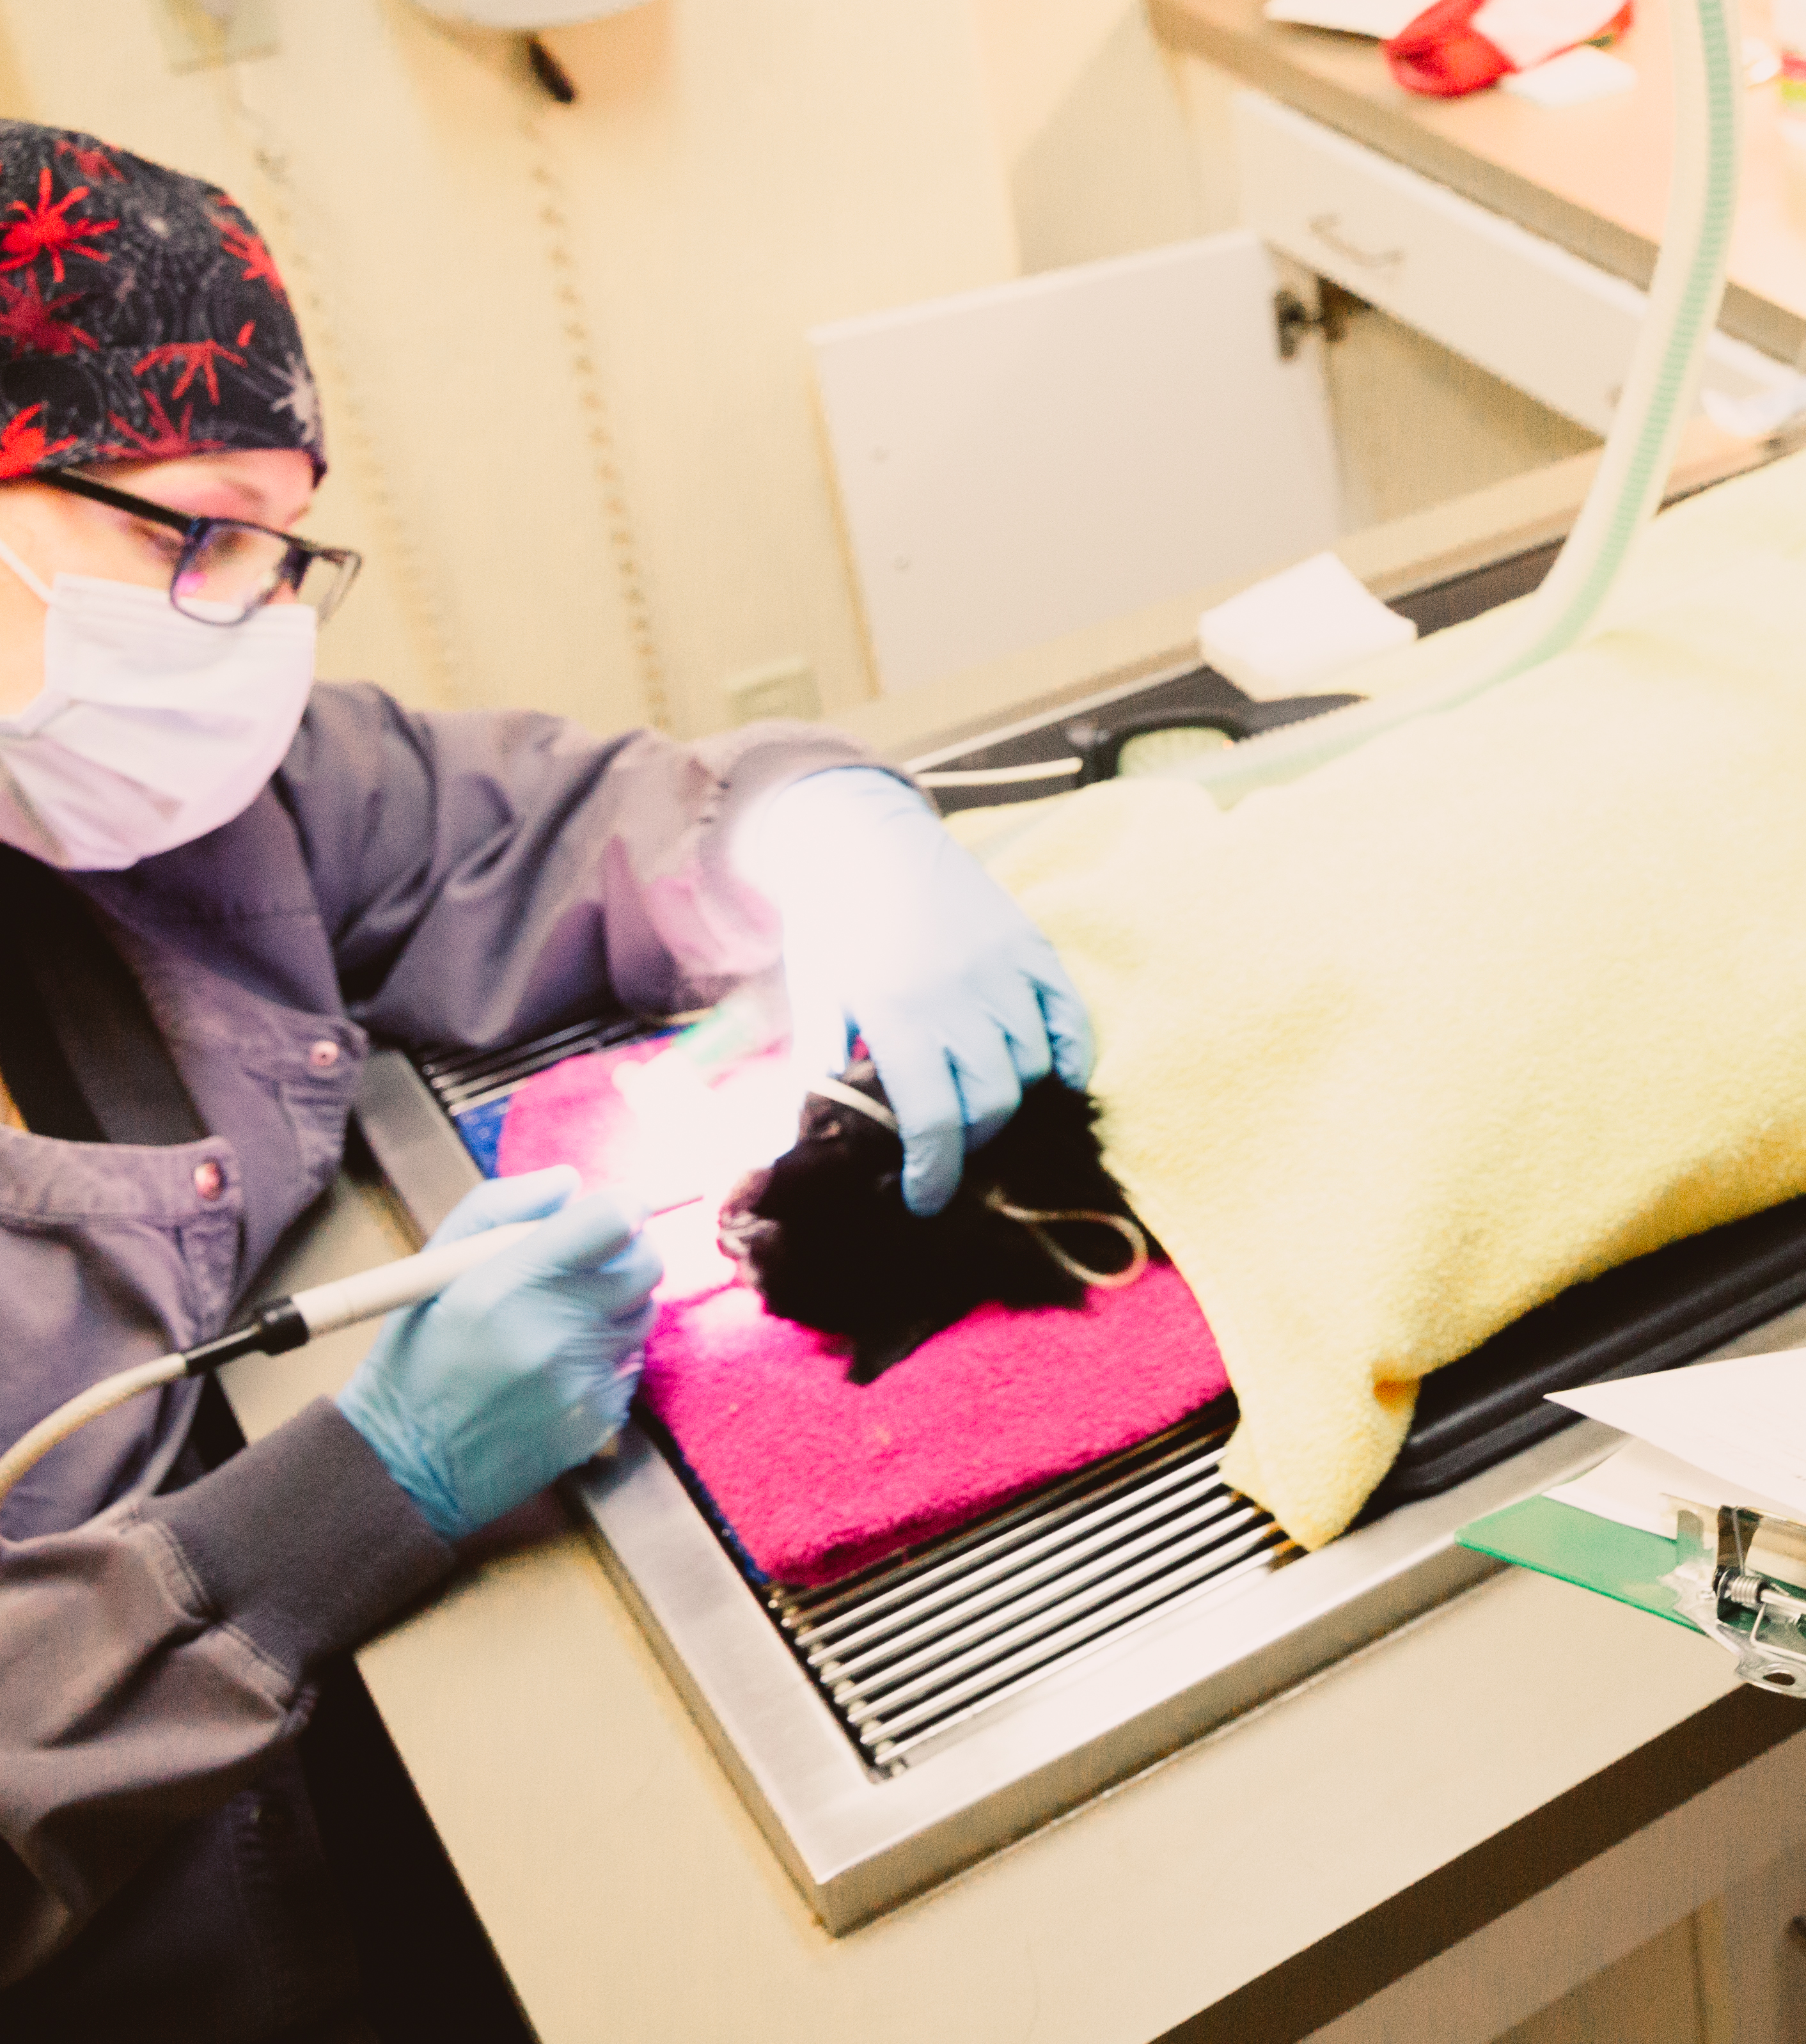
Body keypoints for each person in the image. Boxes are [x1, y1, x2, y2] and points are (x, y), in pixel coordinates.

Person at [0, 123, 1093, 2039]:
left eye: (282, 551)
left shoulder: (185, 816)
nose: (248, 627)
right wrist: (344, 1502)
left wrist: (833, 836)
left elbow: (546, 821)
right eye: (189, 537)